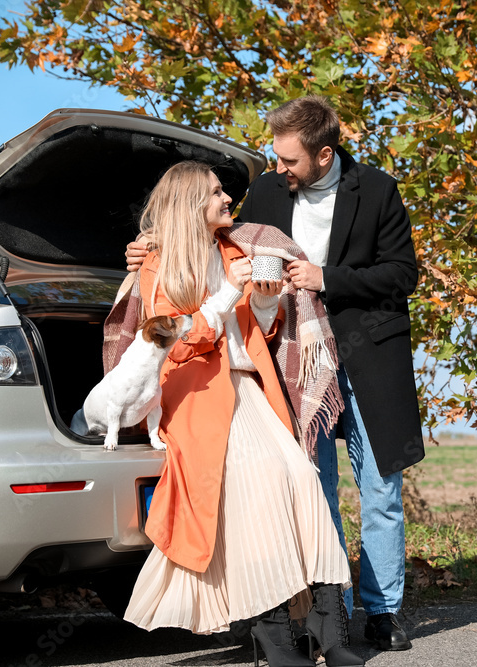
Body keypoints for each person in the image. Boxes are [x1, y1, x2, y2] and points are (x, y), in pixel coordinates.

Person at [126, 96, 425, 652]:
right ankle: (323, 617)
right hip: (286, 350)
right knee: (316, 484)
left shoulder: (378, 189)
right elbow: (211, 234)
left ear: (323, 153)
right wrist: (148, 248)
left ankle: (383, 612)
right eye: (276, 158)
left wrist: (326, 277)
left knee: (380, 489)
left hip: (369, 354)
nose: (278, 169)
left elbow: (403, 273)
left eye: (289, 160)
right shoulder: (266, 189)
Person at [121, 161, 363, 667]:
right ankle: (273, 635)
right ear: (192, 204)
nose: (227, 197)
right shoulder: (156, 264)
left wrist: (269, 305)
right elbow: (177, 344)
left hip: (249, 387)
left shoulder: (234, 249)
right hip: (195, 395)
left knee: (301, 482)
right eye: (215, 192)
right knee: (260, 493)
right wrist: (230, 292)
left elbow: (256, 335)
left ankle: (326, 621)